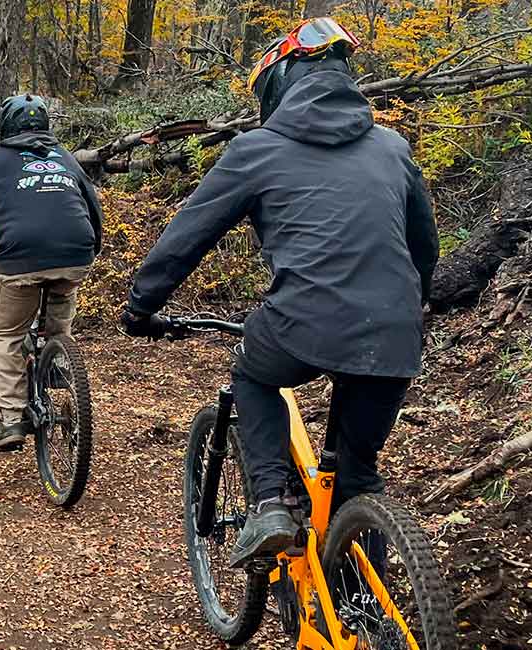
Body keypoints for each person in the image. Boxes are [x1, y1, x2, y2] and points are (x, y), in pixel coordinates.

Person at [119, 18, 438, 568]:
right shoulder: (390, 147)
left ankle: (270, 501)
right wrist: (413, 303)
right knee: (358, 476)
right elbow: (423, 245)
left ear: (279, 83)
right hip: (396, 330)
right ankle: (358, 611)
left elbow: (188, 234)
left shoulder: (256, 149)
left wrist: (143, 305)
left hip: (304, 321)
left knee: (253, 373)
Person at [0, 94, 104, 451]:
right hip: (76, 254)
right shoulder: (65, 158)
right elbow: (92, 204)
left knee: (4, 334)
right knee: (59, 318)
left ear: (5, 126)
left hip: (22, 260)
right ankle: (56, 362)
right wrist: (92, 248)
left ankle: (11, 419)